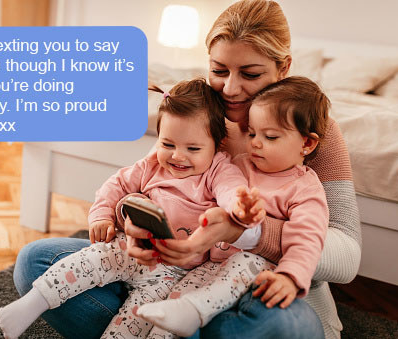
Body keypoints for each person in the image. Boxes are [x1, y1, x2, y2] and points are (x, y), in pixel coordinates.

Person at [12, 1, 361, 338]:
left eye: (250, 74)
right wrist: (132, 222)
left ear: (283, 68)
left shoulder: (309, 129)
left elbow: (346, 257)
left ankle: (168, 324)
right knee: (35, 262)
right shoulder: (201, 112)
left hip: (252, 284)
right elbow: (149, 180)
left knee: (286, 328)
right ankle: (160, 322)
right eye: (219, 70)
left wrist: (242, 232)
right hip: (164, 275)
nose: (231, 88)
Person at [0, 78, 267, 339]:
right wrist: (102, 214)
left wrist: (240, 210)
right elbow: (115, 185)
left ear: (216, 146)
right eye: (168, 144)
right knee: (95, 257)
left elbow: (231, 192)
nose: (177, 156)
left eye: (193, 148)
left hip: (176, 275)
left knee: (138, 318)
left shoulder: (219, 169)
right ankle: (32, 303)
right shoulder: (153, 164)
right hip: (133, 249)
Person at [137, 76, 330, 338]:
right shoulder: (236, 163)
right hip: (205, 265)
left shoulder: (304, 188)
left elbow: (307, 240)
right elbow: (173, 181)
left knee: (245, 261)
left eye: (270, 137)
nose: (255, 143)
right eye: (251, 133)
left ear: (307, 143)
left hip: (255, 272)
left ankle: (192, 312)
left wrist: (290, 277)